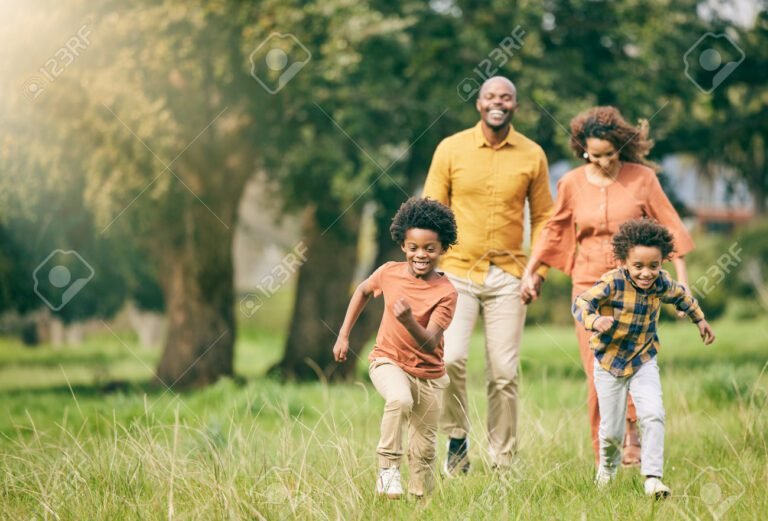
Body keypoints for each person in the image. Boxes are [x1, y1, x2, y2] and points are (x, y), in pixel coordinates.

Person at [521, 106, 695, 467]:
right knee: (596, 366)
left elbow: (669, 227)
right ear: (582, 150)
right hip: (589, 286)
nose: (602, 162)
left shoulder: (642, 179)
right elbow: (554, 230)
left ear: (620, 146)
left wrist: (683, 282)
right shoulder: (571, 183)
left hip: (635, 286)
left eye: (610, 154)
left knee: (634, 358)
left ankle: (632, 434)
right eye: (594, 155)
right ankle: (606, 451)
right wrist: (533, 271)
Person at [423, 76, 554, 473]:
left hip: (510, 275)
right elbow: (431, 210)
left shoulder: (532, 155)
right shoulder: (451, 149)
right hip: (456, 271)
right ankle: (457, 438)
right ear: (479, 104)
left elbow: (545, 217)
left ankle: (503, 460)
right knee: (450, 359)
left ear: (515, 106)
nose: (499, 103)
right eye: (491, 97)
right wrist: (428, 271)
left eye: (506, 98)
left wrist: (538, 270)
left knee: (504, 372)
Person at [572, 218, 715, 498]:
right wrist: (595, 320)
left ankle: (653, 478)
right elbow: (581, 302)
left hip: (643, 360)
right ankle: (606, 473)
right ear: (624, 261)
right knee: (612, 432)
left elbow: (682, 297)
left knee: (653, 413)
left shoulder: (662, 282)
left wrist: (700, 320)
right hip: (609, 363)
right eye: (638, 266)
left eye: (654, 266)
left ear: (662, 262)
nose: (646, 273)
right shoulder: (612, 282)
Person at [332, 197, 459, 499]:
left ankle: (420, 504)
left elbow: (430, 341)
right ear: (403, 245)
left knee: (424, 451)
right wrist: (343, 335)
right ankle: (388, 469)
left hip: (428, 374)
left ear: (443, 248)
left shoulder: (447, 293)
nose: (421, 255)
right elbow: (363, 291)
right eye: (413, 247)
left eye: (430, 248)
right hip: (387, 361)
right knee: (399, 399)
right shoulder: (388, 272)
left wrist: (408, 321)